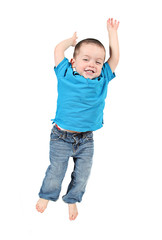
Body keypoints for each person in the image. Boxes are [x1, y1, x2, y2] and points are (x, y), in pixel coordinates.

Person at [36, 18, 120, 220]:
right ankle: (47, 195)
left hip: (86, 139)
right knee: (57, 171)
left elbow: (115, 58)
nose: (92, 64)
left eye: (98, 61)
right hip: (61, 137)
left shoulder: (103, 79)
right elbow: (57, 51)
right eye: (86, 59)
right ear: (74, 61)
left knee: (82, 175)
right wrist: (70, 41)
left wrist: (112, 33)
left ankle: (72, 199)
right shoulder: (65, 74)